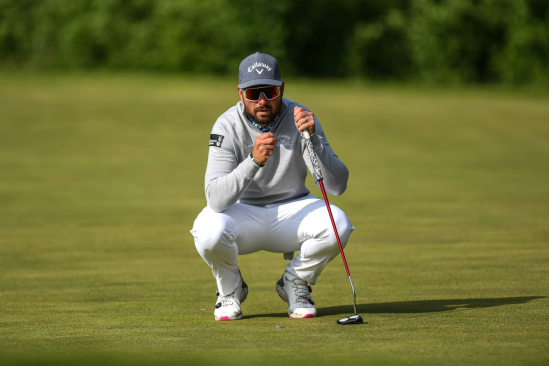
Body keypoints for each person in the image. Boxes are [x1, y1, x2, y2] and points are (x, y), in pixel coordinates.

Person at [190, 52, 354, 321]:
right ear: (241, 93)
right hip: (242, 213)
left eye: (270, 91)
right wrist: (253, 161)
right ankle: (229, 290)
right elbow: (216, 199)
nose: (263, 101)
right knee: (207, 231)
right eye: (254, 93)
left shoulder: (302, 117)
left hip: (293, 208)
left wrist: (314, 141)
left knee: (338, 224)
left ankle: (295, 282)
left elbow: (337, 186)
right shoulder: (226, 124)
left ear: (282, 89)